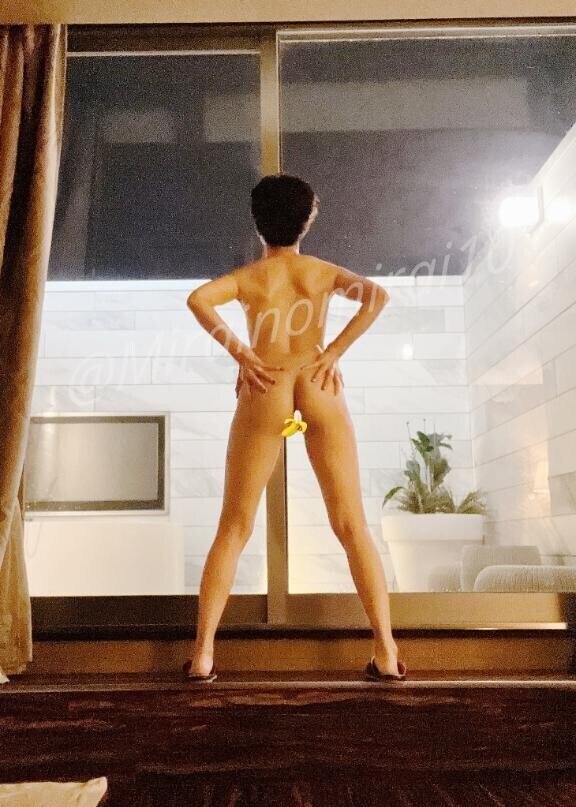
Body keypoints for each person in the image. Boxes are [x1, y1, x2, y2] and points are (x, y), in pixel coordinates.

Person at [183, 173, 407, 682]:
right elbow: (376, 297)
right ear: (308, 221)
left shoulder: (249, 278)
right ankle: (386, 650)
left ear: (257, 223)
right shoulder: (321, 272)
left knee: (234, 526)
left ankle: (203, 655)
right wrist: (333, 352)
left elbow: (198, 299)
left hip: (268, 384)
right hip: (318, 381)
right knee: (352, 525)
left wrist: (243, 353)